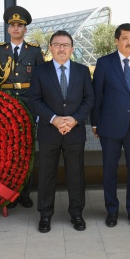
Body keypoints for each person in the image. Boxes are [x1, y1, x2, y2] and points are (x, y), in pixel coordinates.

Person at [29, 30, 94, 233]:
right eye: (57, 44)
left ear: (72, 49)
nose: (61, 48)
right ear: (50, 48)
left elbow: (89, 99)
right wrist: (54, 119)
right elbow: (34, 100)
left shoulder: (82, 71)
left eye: (66, 45)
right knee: (47, 175)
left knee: (76, 174)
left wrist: (74, 120)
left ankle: (76, 213)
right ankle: (45, 215)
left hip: (74, 131)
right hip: (49, 131)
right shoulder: (41, 71)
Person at [91, 23, 130, 228]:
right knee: (110, 170)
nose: (129, 42)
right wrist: (94, 122)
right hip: (109, 126)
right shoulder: (104, 63)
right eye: (125, 38)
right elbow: (96, 95)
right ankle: (112, 210)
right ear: (117, 40)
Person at [0, 5, 44, 209]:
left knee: (27, 149)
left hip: (29, 103)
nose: (15, 28)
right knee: (6, 151)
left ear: (25, 29)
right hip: (6, 103)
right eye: (12, 25)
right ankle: (9, 192)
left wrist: (39, 109)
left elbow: (41, 81)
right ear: (8, 28)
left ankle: (25, 193)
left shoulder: (35, 51)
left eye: (19, 25)